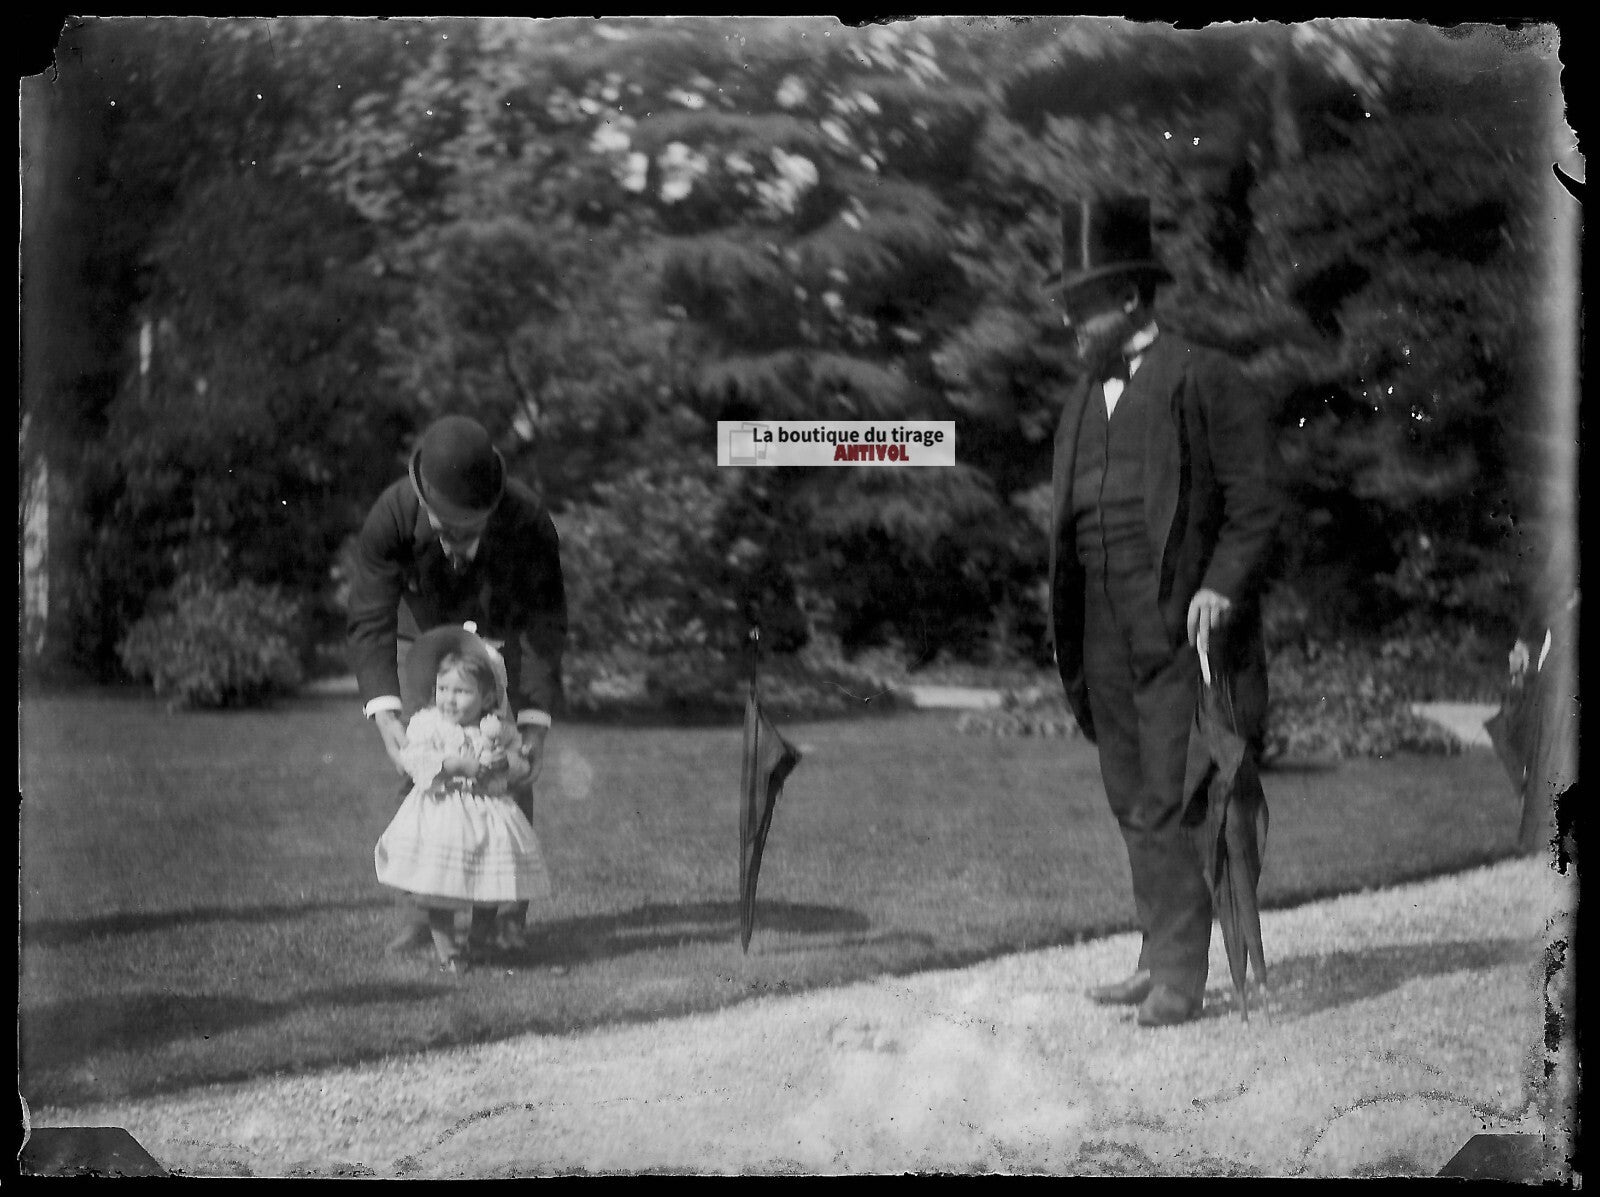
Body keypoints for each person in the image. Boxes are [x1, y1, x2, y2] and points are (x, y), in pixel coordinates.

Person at [1044, 195, 1280, 1027]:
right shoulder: (1082, 398)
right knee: (1129, 792)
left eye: (1084, 306)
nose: (1073, 324)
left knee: (1179, 794)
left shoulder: (1202, 376)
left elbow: (1256, 504)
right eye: (1068, 307)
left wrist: (1220, 585)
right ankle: (1157, 950)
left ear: (1135, 300)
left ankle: (1182, 973)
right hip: (1100, 625)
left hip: (1178, 624)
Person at [348, 414, 567, 954]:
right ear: (422, 501)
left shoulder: (529, 520)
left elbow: (544, 622)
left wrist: (534, 722)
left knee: (505, 769)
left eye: (468, 531)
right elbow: (371, 616)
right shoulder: (392, 515)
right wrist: (386, 713)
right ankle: (430, 914)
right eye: (444, 529)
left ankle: (507, 917)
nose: (455, 543)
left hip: (501, 637)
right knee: (425, 768)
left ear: (492, 508)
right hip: (421, 639)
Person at [374, 626, 553, 973]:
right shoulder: (430, 724)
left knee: (489, 879)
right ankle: (448, 953)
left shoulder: (499, 729)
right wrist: (452, 764)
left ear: (487, 697)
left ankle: (479, 940)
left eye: (462, 691)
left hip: (488, 816)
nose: (449, 699)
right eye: (443, 689)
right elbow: (414, 760)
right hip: (443, 812)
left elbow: (519, 764)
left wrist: (506, 763)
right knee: (438, 885)